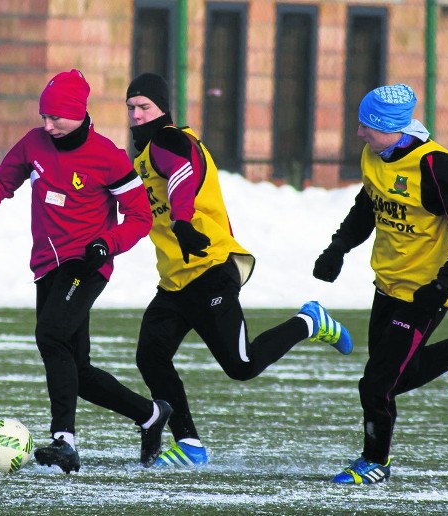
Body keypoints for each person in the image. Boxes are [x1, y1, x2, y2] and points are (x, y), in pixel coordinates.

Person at [0, 69, 174, 474]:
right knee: (76, 370)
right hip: (48, 267)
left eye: (56, 118)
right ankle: (150, 414)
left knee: (50, 334)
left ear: (79, 113)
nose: (48, 125)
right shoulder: (34, 143)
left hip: (86, 265)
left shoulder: (109, 157)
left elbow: (139, 216)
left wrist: (108, 244)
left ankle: (64, 441)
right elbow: (1, 183)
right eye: (44, 117)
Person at [125, 72, 353, 467]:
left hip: (212, 267)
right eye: (131, 107)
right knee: (150, 356)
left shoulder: (170, 140)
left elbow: (182, 173)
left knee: (242, 366)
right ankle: (190, 445)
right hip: (176, 281)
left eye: (145, 106)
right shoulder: (142, 158)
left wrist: (182, 221)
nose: (137, 114)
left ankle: (309, 322)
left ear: (163, 109)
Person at [312, 83, 448, 484]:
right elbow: (368, 206)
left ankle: (376, 462)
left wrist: (445, 284)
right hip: (387, 286)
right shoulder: (374, 154)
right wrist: (338, 247)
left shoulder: (437, 167)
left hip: (424, 293)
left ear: (392, 128)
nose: (359, 134)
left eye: (367, 127)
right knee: (395, 376)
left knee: (377, 383)